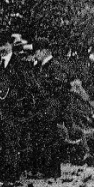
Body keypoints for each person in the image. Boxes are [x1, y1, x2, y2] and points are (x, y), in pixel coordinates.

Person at [0, 36, 36, 187]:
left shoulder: (19, 64)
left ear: (10, 45)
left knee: (11, 142)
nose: (1, 48)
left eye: (4, 44)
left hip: (11, 109)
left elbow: (26, 86)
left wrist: (17, 103)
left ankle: (11, 177)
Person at [28, 38, 67, 179]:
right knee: (42, 138)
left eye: (36, 51)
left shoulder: (55, 66)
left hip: (51, 107)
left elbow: (57, 88)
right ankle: (46, 170)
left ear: (44, 51)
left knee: (50, 138)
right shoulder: (40, 66)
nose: (35, 54)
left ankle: (52, 171)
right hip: (42, 107)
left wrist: (39, 88)